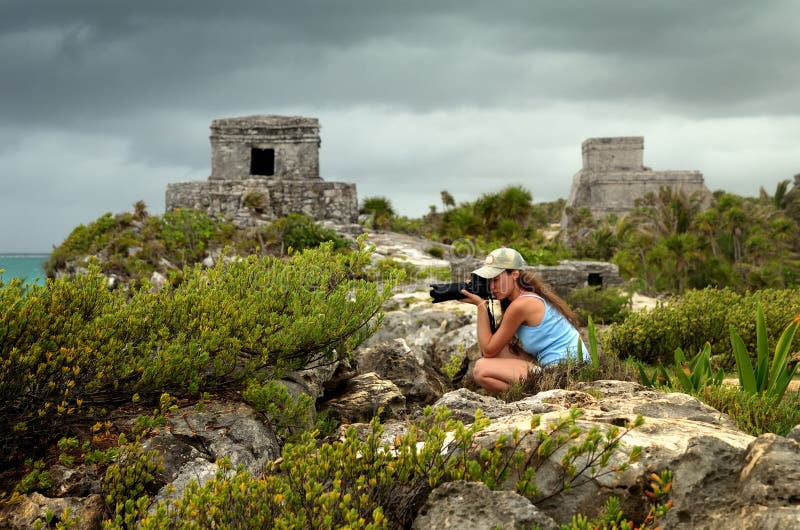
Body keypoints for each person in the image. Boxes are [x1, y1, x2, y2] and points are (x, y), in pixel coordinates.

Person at [460, 247, 587, 394]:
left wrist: (481, 306)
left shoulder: (521, 305)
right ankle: (530, 391)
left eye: (496, 279)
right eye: (488, 281)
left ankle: (527, 396)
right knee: (501, 350)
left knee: (481, 369)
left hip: (564, 376)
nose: (492, 286)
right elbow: (491, 348)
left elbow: (487, 352)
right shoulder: (526, 297)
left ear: (514, 274)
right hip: (566, 369)